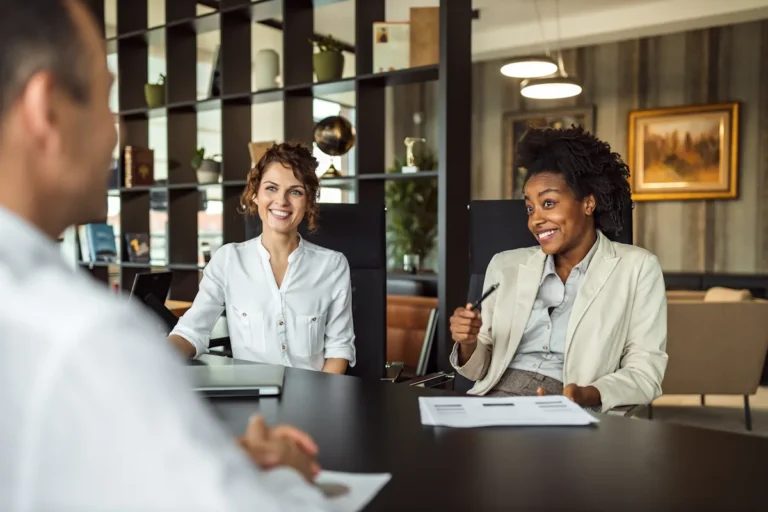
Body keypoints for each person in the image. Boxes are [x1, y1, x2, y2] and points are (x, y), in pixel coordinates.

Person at [0, 1, 332, 509]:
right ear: (47, 111)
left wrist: (213, 458)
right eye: (106, 100)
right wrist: (285, 474)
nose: (117, 132)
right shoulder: (84, 333)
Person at [449, 126, 668, 413]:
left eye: (548, 203)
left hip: (566, 405)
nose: (535, 220)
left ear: (588, 203)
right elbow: (479, 370)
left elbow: (645, 373)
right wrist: (468, 342)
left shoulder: (637, 268)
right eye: (530, 208)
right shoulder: (504, 265)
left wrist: (584, 395)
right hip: (490, 399)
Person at [167, 142, 356, 374]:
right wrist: (153, 357)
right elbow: (191, 331)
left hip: (313, 392)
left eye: (295, 191)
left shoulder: (332, 265)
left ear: (308, 201)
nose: (282, 201)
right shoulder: (228, 260)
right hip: (250, 392)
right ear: (255, 194)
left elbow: (339, 349)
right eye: (271, 188)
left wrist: (319, 395)